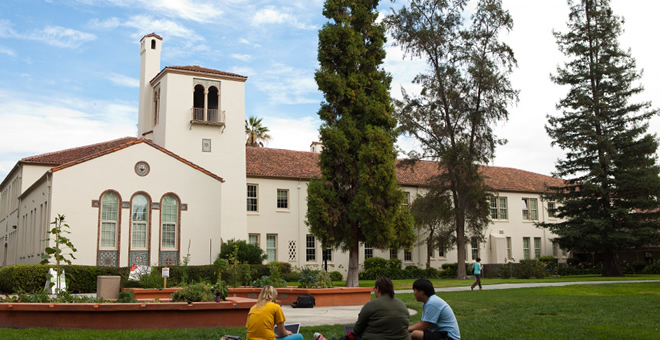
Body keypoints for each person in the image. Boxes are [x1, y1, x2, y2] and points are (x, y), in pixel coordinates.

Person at [314, 277, 410, 340]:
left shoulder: (371, 305)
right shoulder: (402, 305)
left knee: (351, 337)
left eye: (374, 288)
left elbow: (357, 329)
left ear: (378, 288)